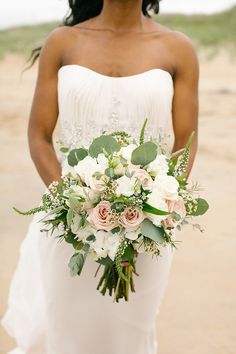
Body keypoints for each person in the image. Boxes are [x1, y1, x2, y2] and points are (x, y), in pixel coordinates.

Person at [1, 1, 199, 353]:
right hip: (67, 224)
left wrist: (156, 210)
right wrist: (74, 205)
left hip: (148, 228)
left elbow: (184, 145)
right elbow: (39, 136)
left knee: (130, 334)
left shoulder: (178, 49)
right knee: (67, 330)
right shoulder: (62, 42)